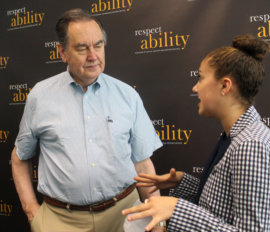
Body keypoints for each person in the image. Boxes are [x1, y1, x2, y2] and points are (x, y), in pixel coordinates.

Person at [11, 8, 165, 232]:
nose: (93, 56)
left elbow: (143, 164)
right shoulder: (39, 96)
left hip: (126, 215)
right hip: (60, 221)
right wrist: (31, 211)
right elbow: (19, 158)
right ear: (62, 52)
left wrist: (157, 221)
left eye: (98, 45)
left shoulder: (127, 96)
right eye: (82, 48)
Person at [122, 34, 270, 231]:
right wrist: (182, 182)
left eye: (200, 78)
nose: (195, 87)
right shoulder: (234, 137)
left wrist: (176, 209)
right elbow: (222, 206)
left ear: (225, 85)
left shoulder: (251, 146)